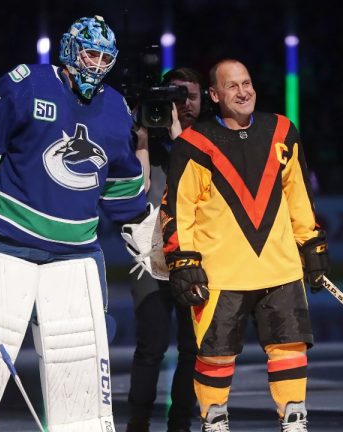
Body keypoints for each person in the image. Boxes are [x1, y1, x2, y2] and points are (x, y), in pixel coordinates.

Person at [0, 16, 150, 431]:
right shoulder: (25, 84)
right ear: (71, 50)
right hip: (5, 242)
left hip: (75, 253)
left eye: (106, 58)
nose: (97, 65)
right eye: (91, 54)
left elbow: (122, 185)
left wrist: (145, 232)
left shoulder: (115, 110)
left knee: (81, 359)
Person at [160, 59, 330, 432]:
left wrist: (311, 243)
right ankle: (215, 419)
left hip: (280, 267)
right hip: (221, 273)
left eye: (247, 83)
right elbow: (178, 207)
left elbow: (298, 194)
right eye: (232, 86)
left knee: (289, 346)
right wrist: (182, 260)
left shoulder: (282, 130)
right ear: (215, 95)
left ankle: (294, 418)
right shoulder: (194, 143)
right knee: (215, 354)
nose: (243, 91)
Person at [126, 67, 204, 432]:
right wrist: (142, 138)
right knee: (151, 346)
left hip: (197, 258)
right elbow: (137, 192)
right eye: (175, 96)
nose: (184, 104)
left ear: (203, 99)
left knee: (194, 349)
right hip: (151, 259)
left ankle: (180, 424)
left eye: (191, 96)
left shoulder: (211, 140)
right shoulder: (143, 144)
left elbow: (197, 183)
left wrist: (177, 133)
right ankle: (138, 422)